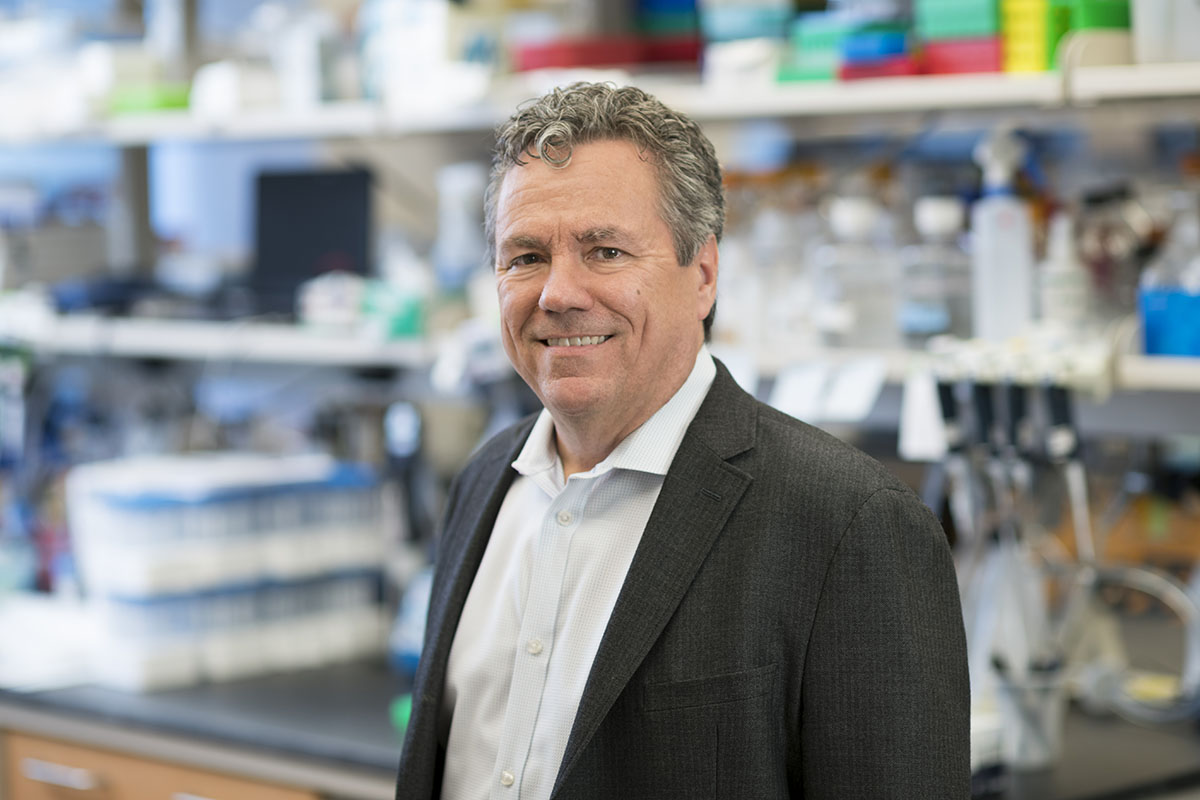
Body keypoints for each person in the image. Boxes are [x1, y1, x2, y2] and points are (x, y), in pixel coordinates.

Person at [395, 81, 969, 799]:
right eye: (525, 256)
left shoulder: (852, 526)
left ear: (702, 275)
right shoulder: (485, 480)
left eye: (604, 251)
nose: (558, 293)